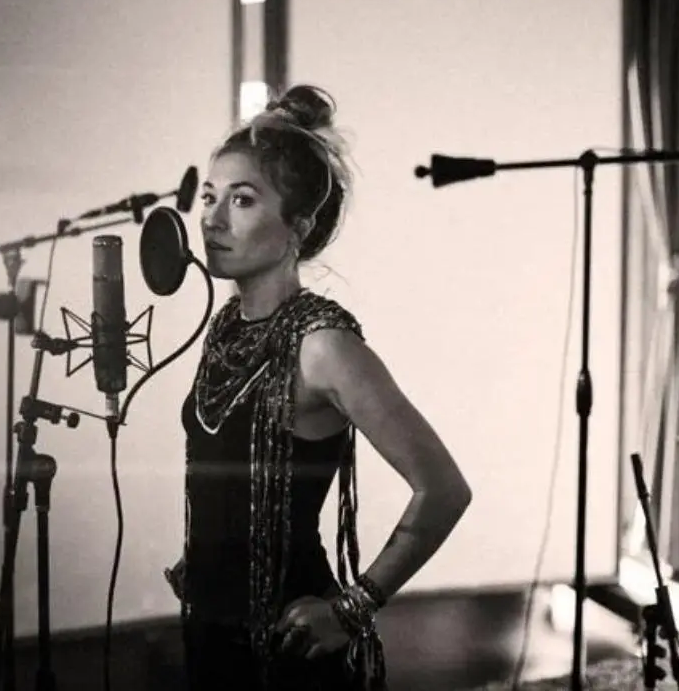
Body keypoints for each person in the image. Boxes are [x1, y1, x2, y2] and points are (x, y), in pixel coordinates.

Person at [166, 85, 472, 691]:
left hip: (289, 650)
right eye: (209, 197)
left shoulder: (324, 346)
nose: (212, 219)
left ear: (299, 225)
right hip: (211, 633)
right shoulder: (228, 326)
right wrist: (207, 562)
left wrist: (352, 609)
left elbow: (443, 489)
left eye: (242, 200)